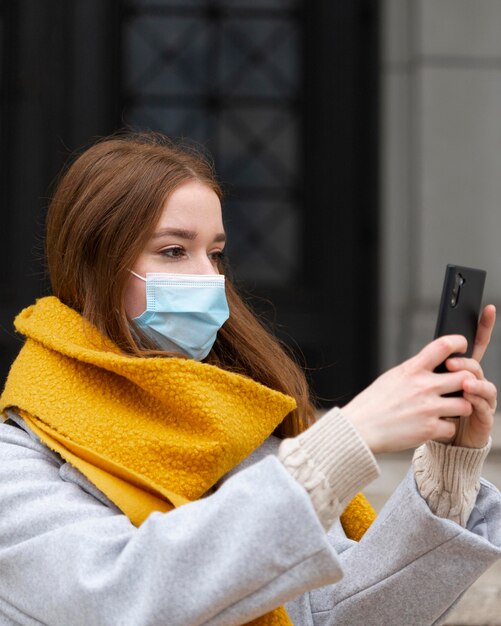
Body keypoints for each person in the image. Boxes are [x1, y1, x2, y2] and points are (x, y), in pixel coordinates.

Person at [0, 131, 499, 626]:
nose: (206, 278)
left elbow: (336, 615)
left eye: (215, 254)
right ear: (94, 264)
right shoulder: (19, 459)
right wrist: (346, 441)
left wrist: (448, 472)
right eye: (174, 251)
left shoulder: (245, 432)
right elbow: (120, 600)